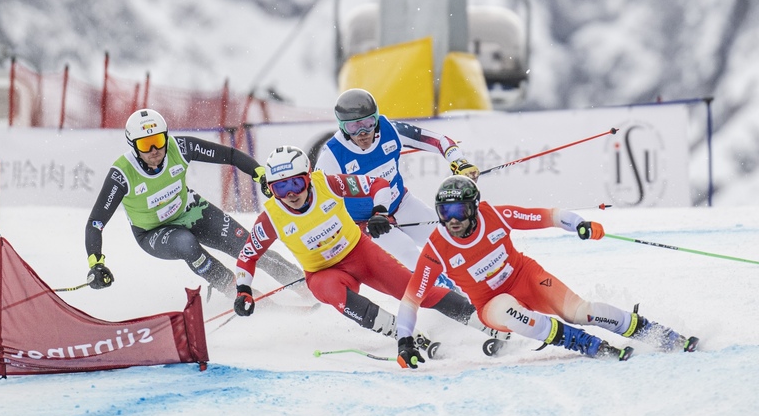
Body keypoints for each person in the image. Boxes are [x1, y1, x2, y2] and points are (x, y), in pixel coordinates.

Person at [394, 175, 700, 368]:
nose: (452, 220)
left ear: (474, 208)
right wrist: (404, 341)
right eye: (444, 213)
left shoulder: (495, 215)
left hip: (526, 277)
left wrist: (580, 224)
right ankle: (580, 342)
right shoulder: (436, 248)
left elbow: (548, 216)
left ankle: (659, 334)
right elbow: (411, 299)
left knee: (582, 311)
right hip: (491, 303)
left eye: (459, 211)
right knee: (510, 311)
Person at [233, 145, 504, 351]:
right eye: (280, 187)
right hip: (323, 273)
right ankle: (401, 333)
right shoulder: (271, 218)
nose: (290, 193)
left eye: (296, 183)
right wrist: (243, 290)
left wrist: (379, 210)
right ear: (271, 189)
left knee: (415, 289)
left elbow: (379, 184)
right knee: (332, 290)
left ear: (308, 177)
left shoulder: (326, 183)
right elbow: (247, 257)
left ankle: (486, 321)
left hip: (360, 253)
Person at [84, 108, 303, 297]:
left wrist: (260, 174)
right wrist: (96, 263)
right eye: (146, 145)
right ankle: (235, 290)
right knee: (187, 244)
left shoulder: (179, 147)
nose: (155, 151)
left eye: (159, 141)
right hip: (153, 232)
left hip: (190, 210)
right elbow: (95, 222)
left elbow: (230, 155)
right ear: (133, 146)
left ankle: (301, 282)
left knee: (246, 245)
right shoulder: (122, 174)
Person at [314, 88, 479, 273]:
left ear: (376, 118)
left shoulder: (390, 130)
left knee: (449, 240)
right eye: (353, 127)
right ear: (342, 127)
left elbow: (440, 141)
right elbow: (315, 198)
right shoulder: (332, 155)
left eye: (368, 123)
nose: (362, 132)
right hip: (369, 224)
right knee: (411, 255)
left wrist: (460, 163)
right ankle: (453, 298)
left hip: (401, 204)